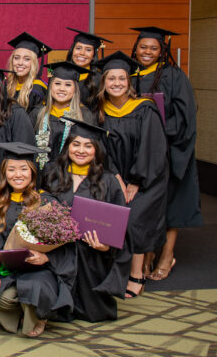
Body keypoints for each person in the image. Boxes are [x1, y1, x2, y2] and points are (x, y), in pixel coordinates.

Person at [129, 26, 203, 281]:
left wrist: (157, 132)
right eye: (143, 47)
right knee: (148, 204)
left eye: (154, 48)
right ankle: (147, 252)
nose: (147, 52)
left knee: (171, 202)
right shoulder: (129, 74)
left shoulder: (174, 76)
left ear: (162, 51)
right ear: (135, 48)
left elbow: (186, 117)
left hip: (170, 149)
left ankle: (166, 254)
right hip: (140, 152)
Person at [94, 51, 168, 298]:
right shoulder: (100, 112)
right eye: (111, 79)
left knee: (134, 217)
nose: (116, 83)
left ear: (129, 82)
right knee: (107, 214)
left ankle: (136, 274)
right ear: (103, 83)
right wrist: (115, 177)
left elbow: (152, 148)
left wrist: (135, 181)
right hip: (113, 175)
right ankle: (112, 272)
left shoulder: (145, 109)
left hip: (147, 178)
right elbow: (99, 149)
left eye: (121, 79)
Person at [43, 118, 131, 321]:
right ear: (67, 147)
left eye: (88, 145)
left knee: (96, 312)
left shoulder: (108, 182)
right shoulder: (52, 174)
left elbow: (121, 228)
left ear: (97, 150)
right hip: (58, 251)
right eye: (76, 144)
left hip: (92, 253)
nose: (81, 150)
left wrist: (105, 247)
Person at [0, 142, 73, 338]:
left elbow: (65, 244)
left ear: (32, 172)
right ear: (4, 174)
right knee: (1, 297)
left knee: (34, 289)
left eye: (24, 169)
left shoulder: (46, 201)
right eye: (11, 170)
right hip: (11, 269)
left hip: (40, 270)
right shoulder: (0, 205)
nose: (18, 175)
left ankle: (39, 316)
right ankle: (25, 309)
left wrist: (45, 258)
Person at [31, 61, 94, 170]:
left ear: (75, 89)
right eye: (57, 83)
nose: (62, 89)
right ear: (50, 86)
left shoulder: (84, 116)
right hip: (39, 175)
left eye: (68, 85)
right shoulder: (38, 113)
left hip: (69, 176)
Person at [66, 27, 111, 113]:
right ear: (72, 50)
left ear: (93, 55)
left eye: (88, 50)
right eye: (78, 48)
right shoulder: (59, 75)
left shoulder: (99, 79)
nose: (82, 53)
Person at [5, 32, 52, 114]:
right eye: (16, 58)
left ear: (34, 63)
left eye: (27, 59)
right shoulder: (8, 85)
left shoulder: (37, 89)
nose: (20, 63)